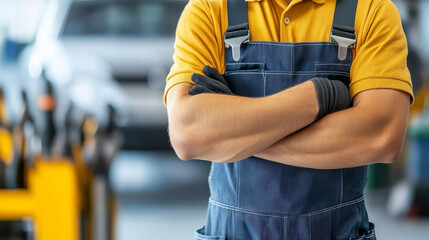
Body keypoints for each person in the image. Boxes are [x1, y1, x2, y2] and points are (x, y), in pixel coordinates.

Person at [164, 0, 413, 239]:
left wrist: (235, 135)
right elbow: (187, 134)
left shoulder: (371, 10)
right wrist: (316, 96)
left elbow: (382, 137)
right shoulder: (210, 8)